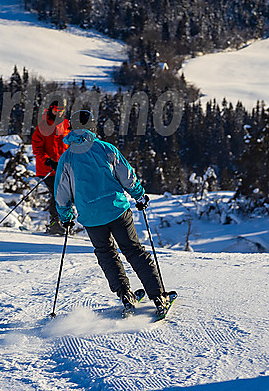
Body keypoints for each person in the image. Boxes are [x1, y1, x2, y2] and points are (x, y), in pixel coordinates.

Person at [54, 109, 171, 317]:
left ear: (72, 129)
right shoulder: (106, 149)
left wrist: (65, 216)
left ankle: (126, 296)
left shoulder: (66, 159)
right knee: (134, 251)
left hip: (91, 217)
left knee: (107, 255)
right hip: (117, 210)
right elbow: (127, 177)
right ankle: (158, 297)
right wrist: (139, 196)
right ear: (92, 127)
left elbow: (61, 192)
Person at [31, 100, 70, 235]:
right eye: (56, 109)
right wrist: (48, 161)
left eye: (61, 109)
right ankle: (55, 223)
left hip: (63, 167)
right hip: (48, 169)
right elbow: (37, 148)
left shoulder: (66, 124)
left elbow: (69, 144)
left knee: (67, 194)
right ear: (51, 109)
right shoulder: (43, 126)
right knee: (57, 193)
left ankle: (63, 221)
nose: (59, 111)